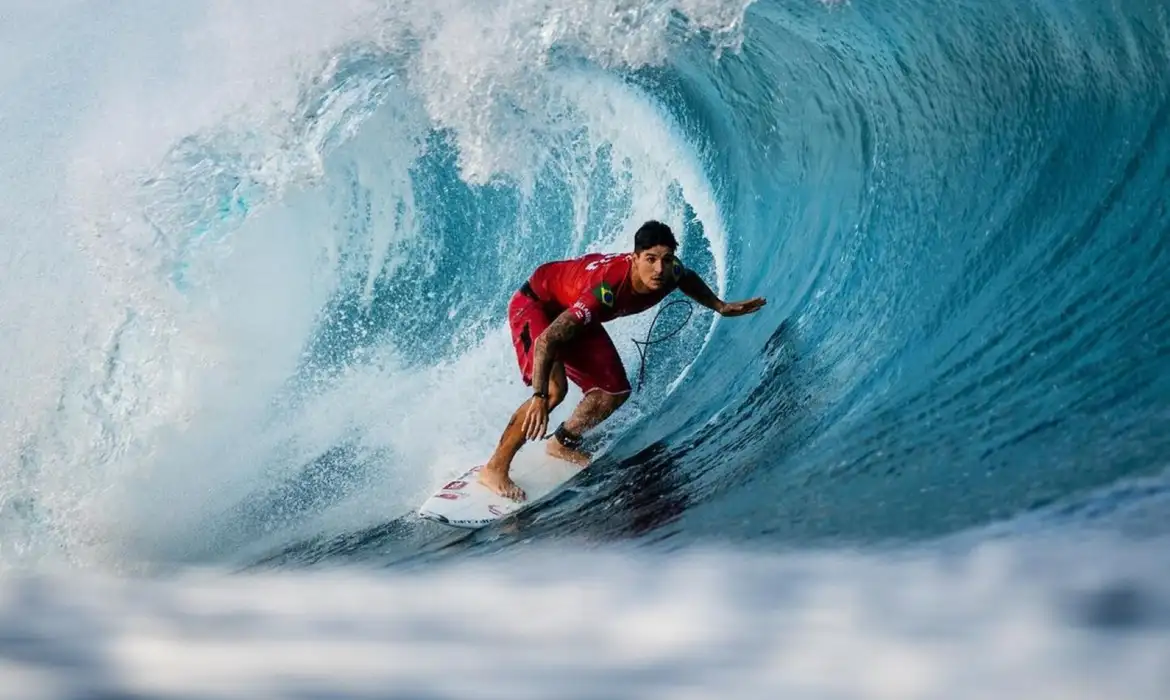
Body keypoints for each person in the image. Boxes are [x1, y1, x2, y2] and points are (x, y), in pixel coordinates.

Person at [479, 220, 767, 501]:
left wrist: (720, 306)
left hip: (571, 308)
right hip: (537, 304)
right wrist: (539, 396)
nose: (658, 269)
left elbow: (687, 277)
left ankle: (562, 442)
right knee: (555, 390)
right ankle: (494, 469)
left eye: (666, 260)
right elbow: (547, 340)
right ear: (634, 258)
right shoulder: (606, 291)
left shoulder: (671, 272)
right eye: (650, 259)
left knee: (613, 391)